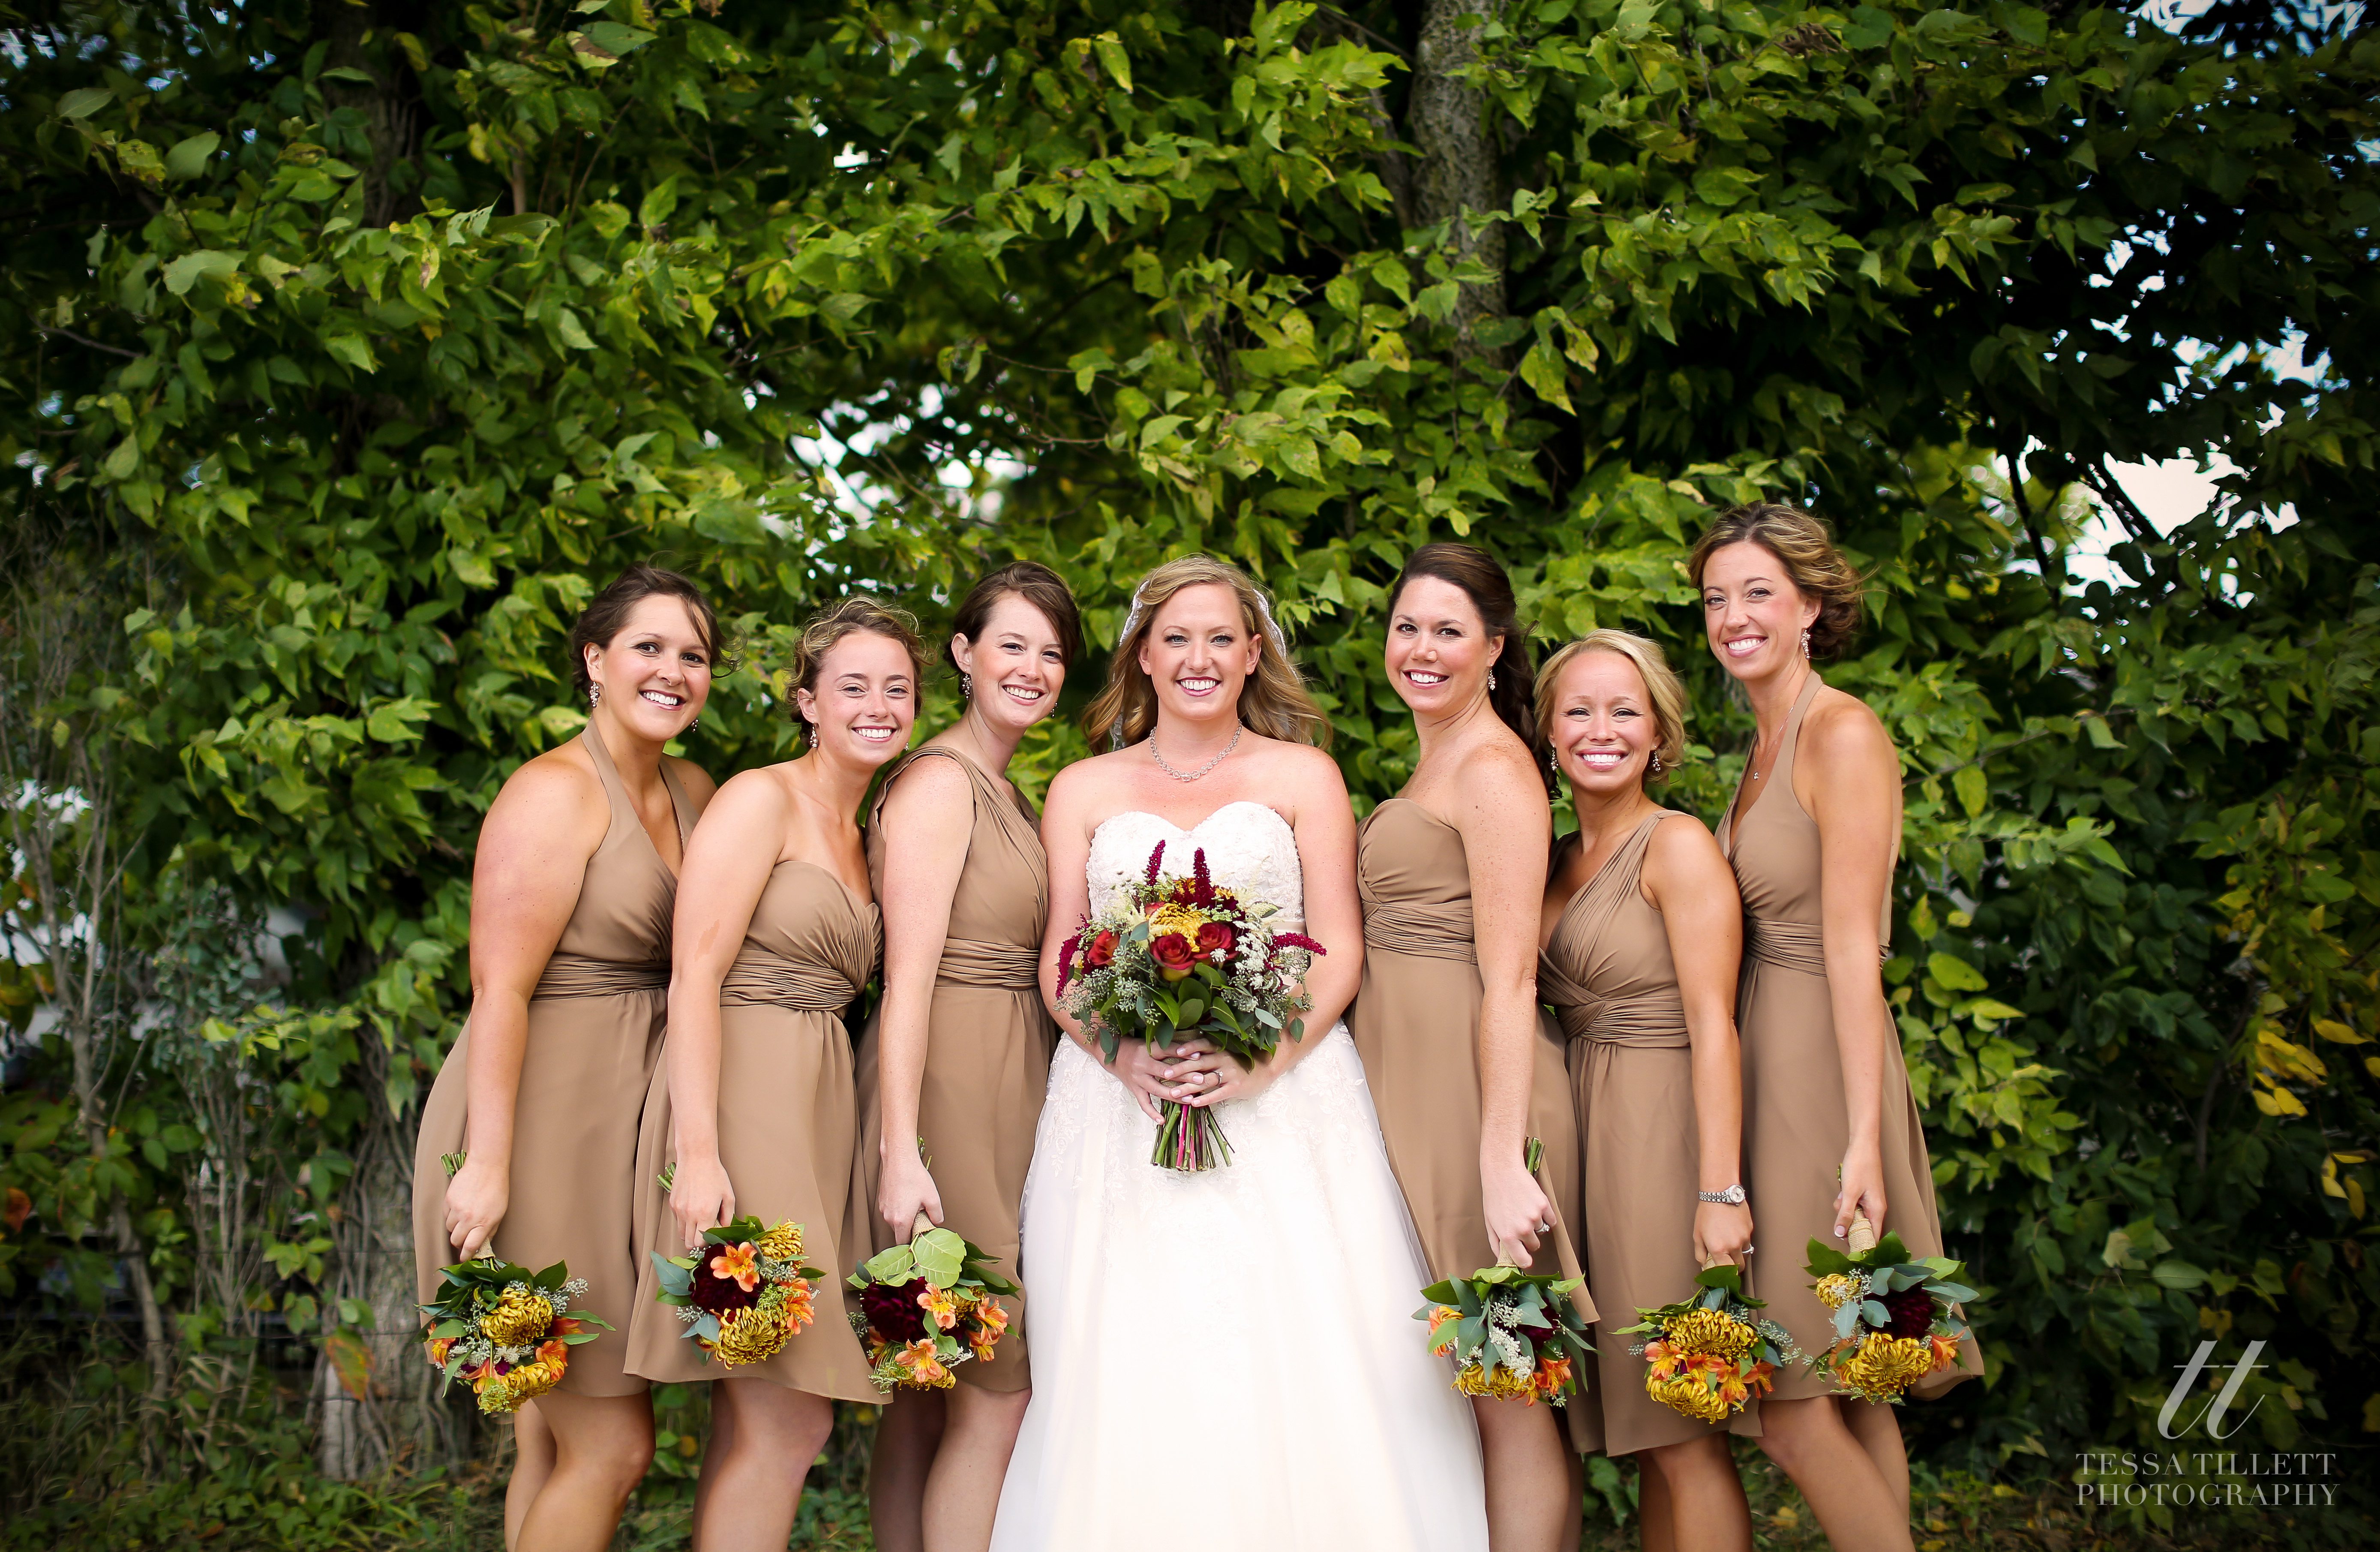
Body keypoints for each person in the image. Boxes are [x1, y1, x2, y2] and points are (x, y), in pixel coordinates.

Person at [990, 555, 1489, 1552]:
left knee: (1299, 1344)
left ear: (1253, 653)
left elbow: (1337, 947)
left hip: (1283, 1098)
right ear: (1141, 655)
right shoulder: (1080, 789)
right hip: (1118, 1108)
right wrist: (1121, 1054)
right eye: (1175, 637)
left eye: (1221, 637)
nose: (1199, 657)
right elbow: (1061, 959)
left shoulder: (1304, 775)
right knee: (1131, 1351)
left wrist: (1260, 1063)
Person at [412, 565, 720, 1552]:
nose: (672, 670)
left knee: (549, 1438)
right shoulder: (551, 792)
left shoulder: (693, 790)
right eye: (648, 647)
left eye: (692, 655)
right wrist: (487, 1164)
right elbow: (498, 989)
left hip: (622, 1132)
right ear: (595, 659)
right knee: (612, 1443)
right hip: (539, 1126)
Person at [1694, 503, 1983, 1552]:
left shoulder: (1841, 732)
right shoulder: (1762, 740)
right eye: (1715, 598)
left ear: (1810, 605)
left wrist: (1863, 1139)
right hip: (1768, 1060)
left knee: (1788, 1396)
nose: (1733, 617)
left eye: (1757, 593)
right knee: (1854, 1383)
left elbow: (1856, 947)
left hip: (1820, 1071)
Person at [624, 597, 924, 1552]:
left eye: (897, 689)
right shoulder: (761, 799)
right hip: (743, 1100)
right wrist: (697, 1152)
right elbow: (694, 974)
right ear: (807, 700)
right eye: (853, 686)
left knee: (762, 1408)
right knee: (788, 1414)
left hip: (814, 1105)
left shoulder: (868, 829)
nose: (877, 706)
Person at [1345, 542, 1591, 1550]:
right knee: (1475, 1375)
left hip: (1471, 1098)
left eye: (1447, 631)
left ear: (1492, 647)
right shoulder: (1440, 755)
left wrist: (1498, 1159)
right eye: (1406, 626)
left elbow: (1512, 975)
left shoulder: (1491, 768)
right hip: (1417, 1092)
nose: (1421, 648)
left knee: (1505, 1379)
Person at [854, 562, 1080, 1552]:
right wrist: (901, 1149)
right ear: (963, 652)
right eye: (1011, 645)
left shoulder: (1003, 787)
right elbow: (906, 980)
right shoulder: (941, 783)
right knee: (995, 1381)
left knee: (929, 1383)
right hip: (946, 1084)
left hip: (1005, 1078)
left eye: (1050, 653)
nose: (1031, 669)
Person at [1534, 631, 1756, 1552]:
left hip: (1662, 1139)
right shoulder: (1550, 857)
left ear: (1658, 733)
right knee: (1642, 1430)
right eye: (1578, 711)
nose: (1601, 730)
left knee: (1681, 1420)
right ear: (1548, 732)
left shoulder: (1678, 846)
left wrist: (1720, 1190)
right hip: (1587, 1138)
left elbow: (1715, 1026)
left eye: (1624, 711)